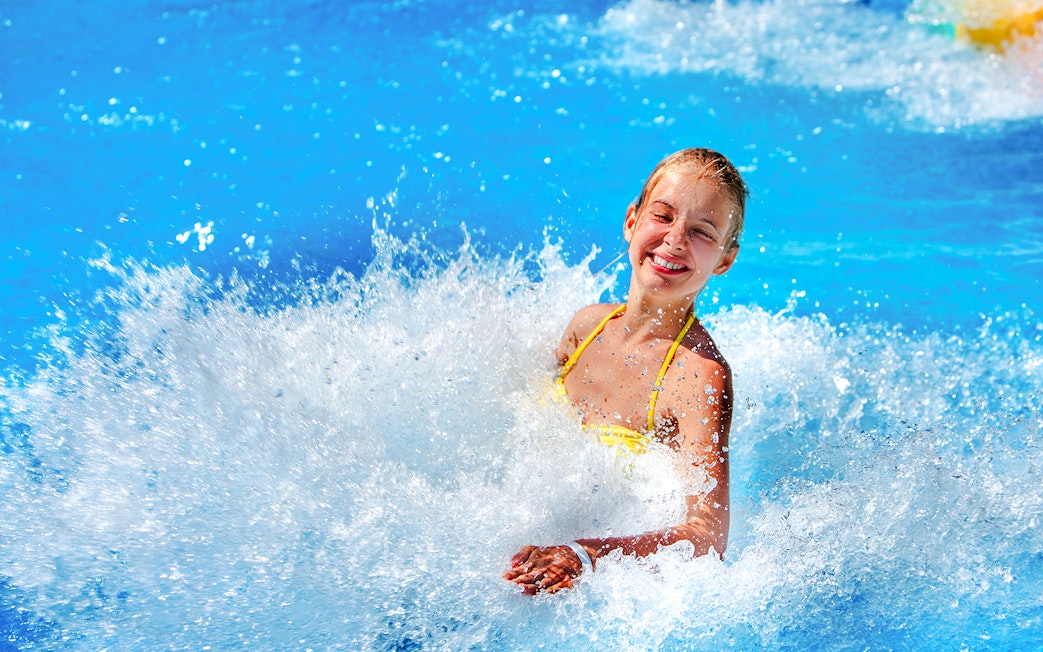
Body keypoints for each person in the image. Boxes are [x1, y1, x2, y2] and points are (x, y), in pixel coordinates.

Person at [503, 148, 747, 595]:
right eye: (664, 216)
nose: (674, 240)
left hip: (586, 573)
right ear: (632, 221)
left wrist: (586, 554)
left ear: (725, 261)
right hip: (525, 553)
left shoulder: (697, 376)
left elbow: (709, 536)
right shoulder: (586, 326)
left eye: (701, 232)